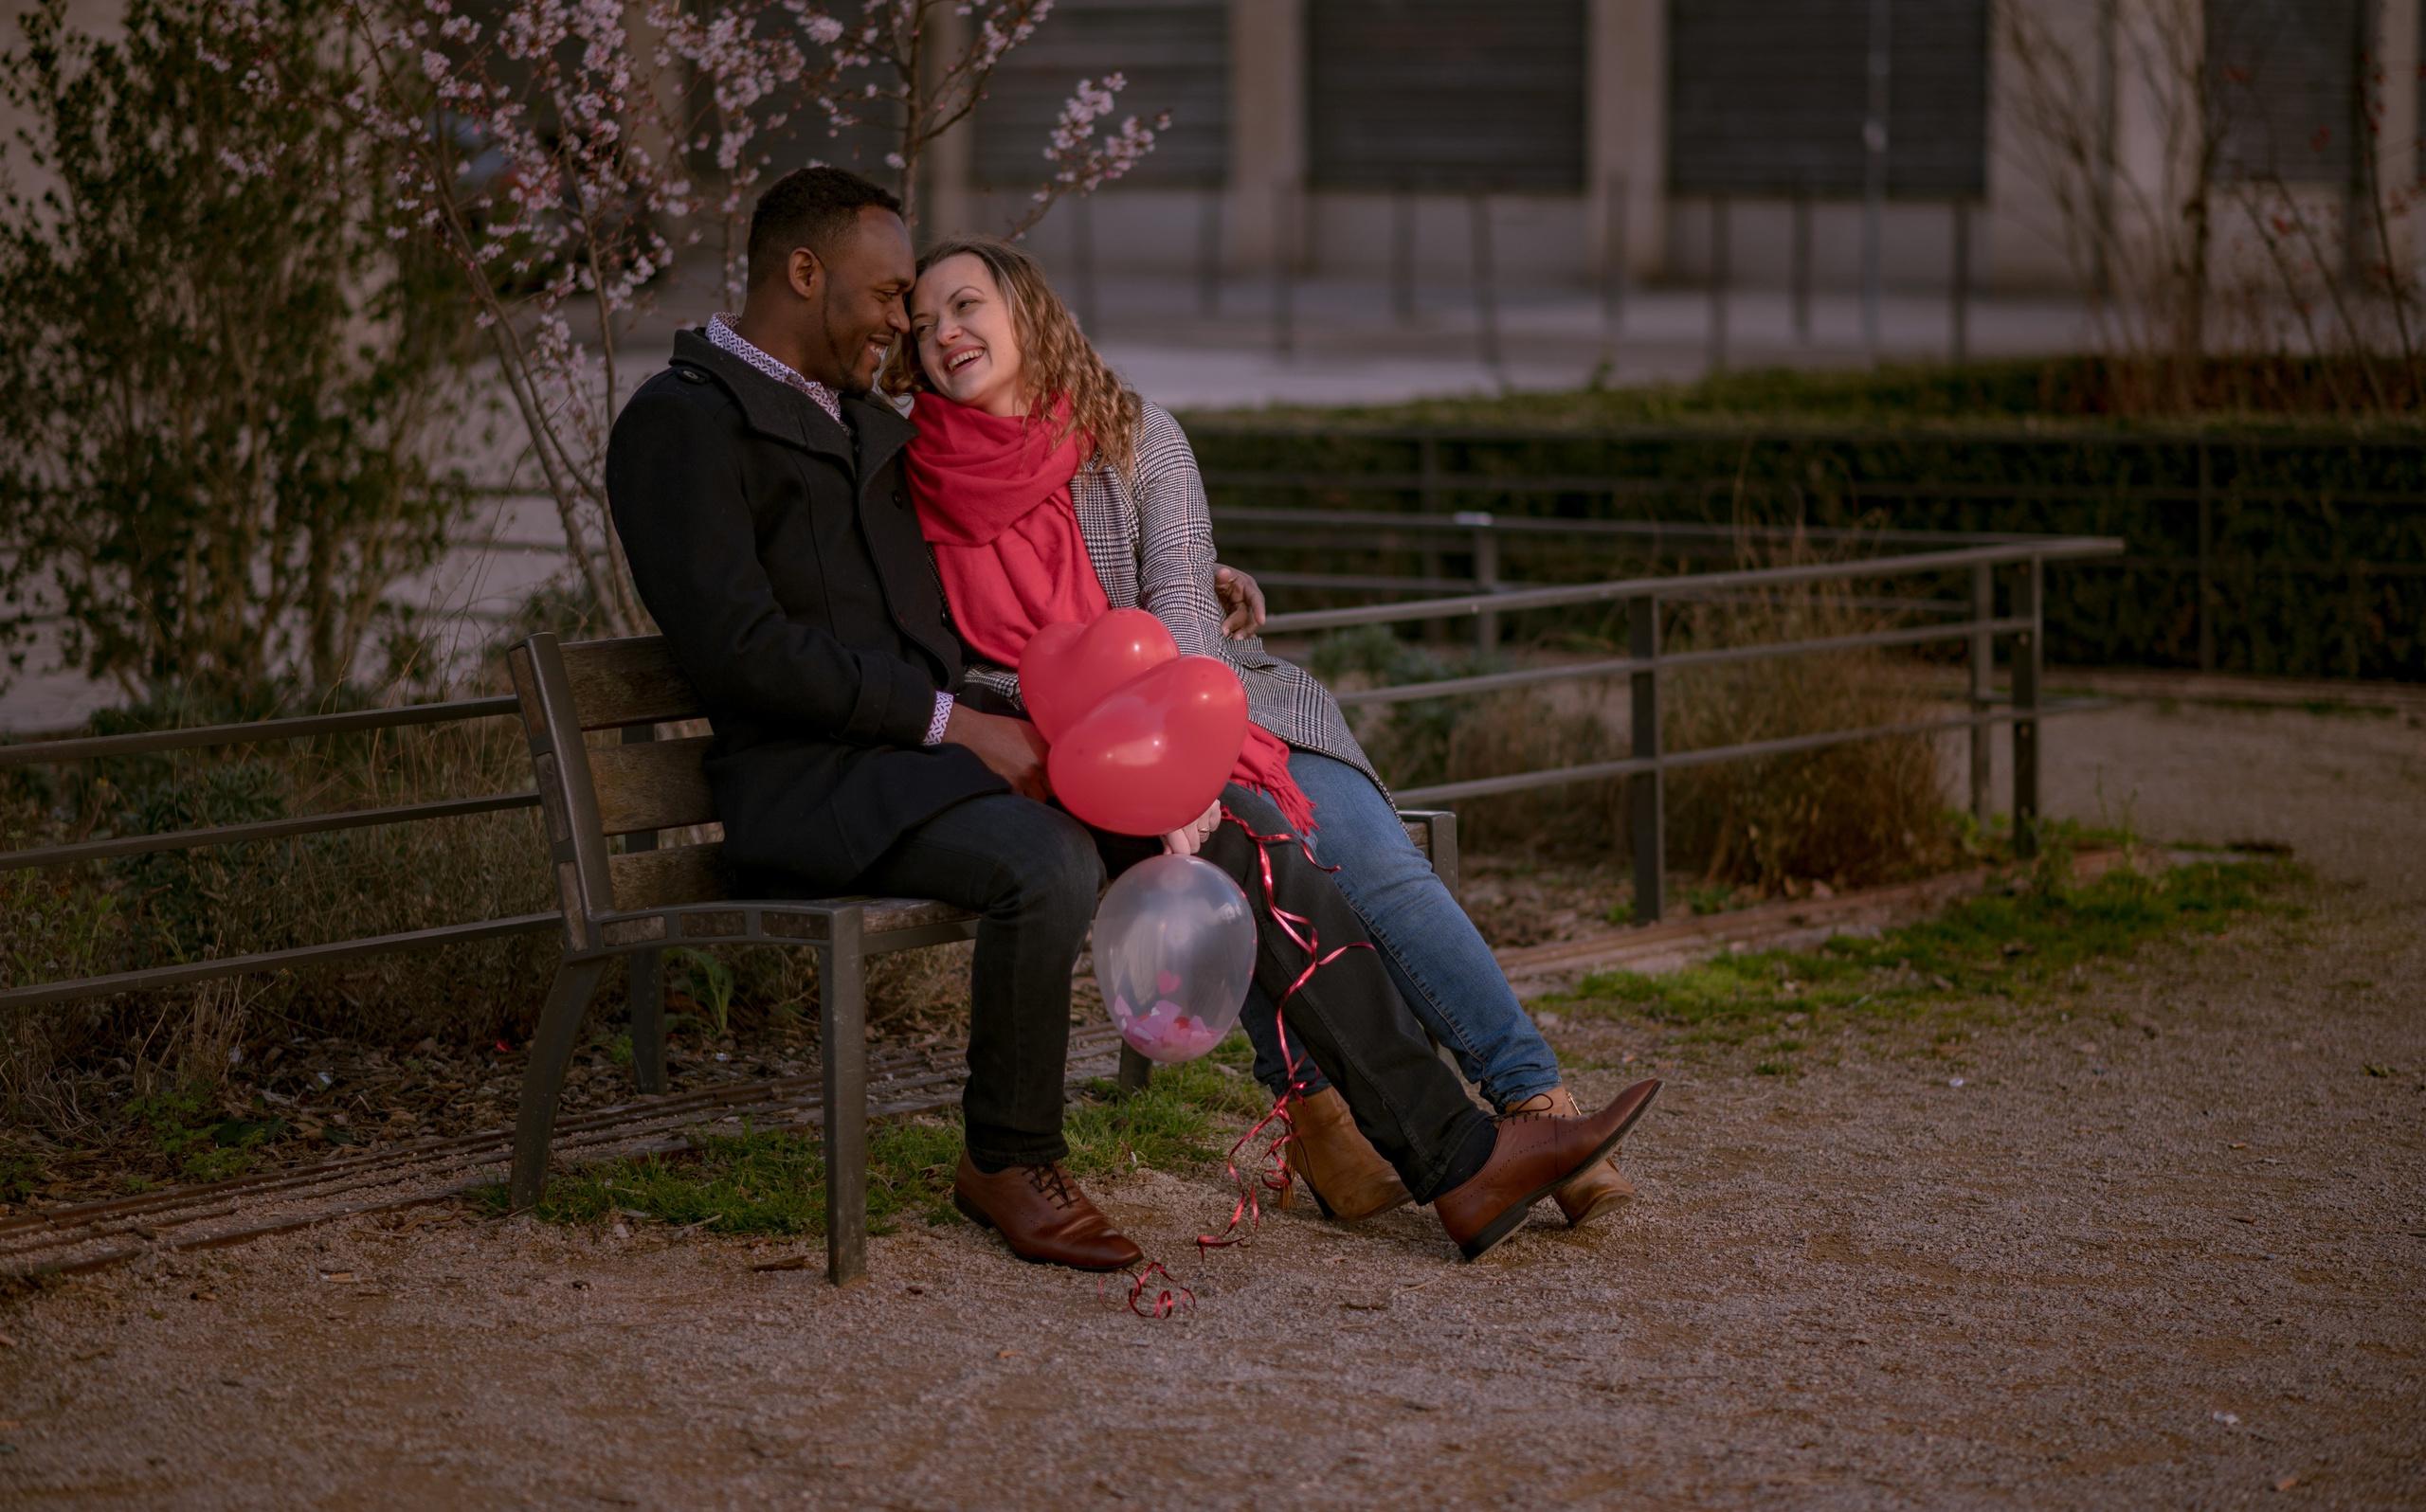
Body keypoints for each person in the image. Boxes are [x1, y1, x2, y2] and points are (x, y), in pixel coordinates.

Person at [604, 166, 1656, 1270]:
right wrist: (958, 726)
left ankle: (1462, 1157)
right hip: (812, 788)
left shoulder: (869, 426)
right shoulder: (685, 425)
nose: (900, 329)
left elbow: (1006, 546)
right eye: (888, 301)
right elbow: (743, 653)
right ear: (804, 272)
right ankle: (1008, 1159)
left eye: (921, 305)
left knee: (1252, 832)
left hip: (930, 765)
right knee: (1046, 862)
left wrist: (1186, 585)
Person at [886, 234, 1636, 1227]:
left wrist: (1188, 762)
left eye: (967, 305)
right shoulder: (913, 476)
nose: (946, 333)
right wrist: (1143, 776)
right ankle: (1328, 1122)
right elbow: (966, 663)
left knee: (1371, 860)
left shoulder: (1134, 434)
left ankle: (1534, 1099)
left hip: (1223, 708)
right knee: (1241, 860)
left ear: (1025, 313)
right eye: (926, 322)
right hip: (1068, 752)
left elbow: (1186, 618)